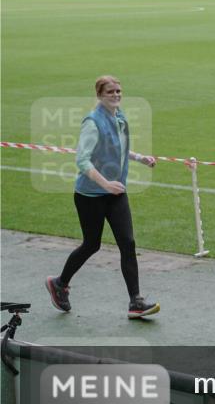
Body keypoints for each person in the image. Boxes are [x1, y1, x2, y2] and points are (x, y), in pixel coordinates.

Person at [45, 75, 160, 319]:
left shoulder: (119, 116)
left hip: (116, 192)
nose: (116, 95)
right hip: (90, 195)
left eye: (119, 91)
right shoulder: (92, 122)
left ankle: (135, 302)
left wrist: (141, 159)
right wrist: (105, 184)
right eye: (111, 92)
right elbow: (81, 160)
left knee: (127, 243)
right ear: (99, 95)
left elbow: (118, 148)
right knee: (91, 244)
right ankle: (59, 283)